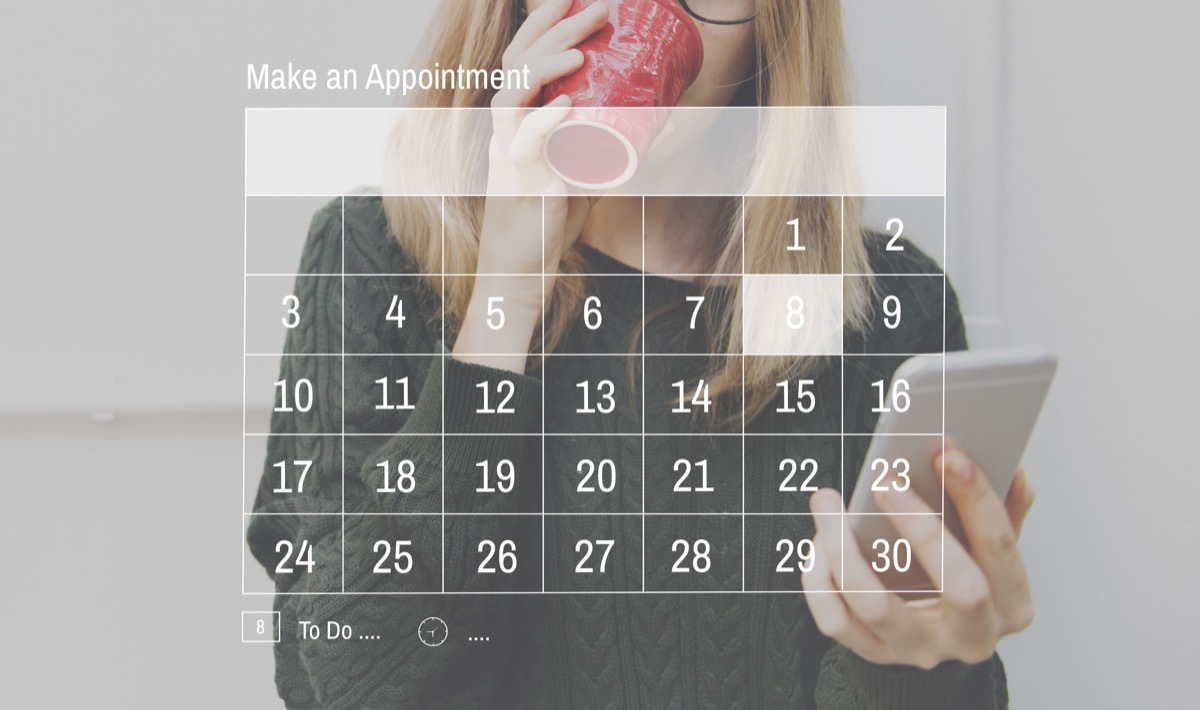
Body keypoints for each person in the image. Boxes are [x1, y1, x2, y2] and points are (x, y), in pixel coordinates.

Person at [247, 0, 1037, 706]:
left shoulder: (887, 311)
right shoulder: (372, 257)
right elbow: (342, 687)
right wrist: (505, 295)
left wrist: (913, 665)